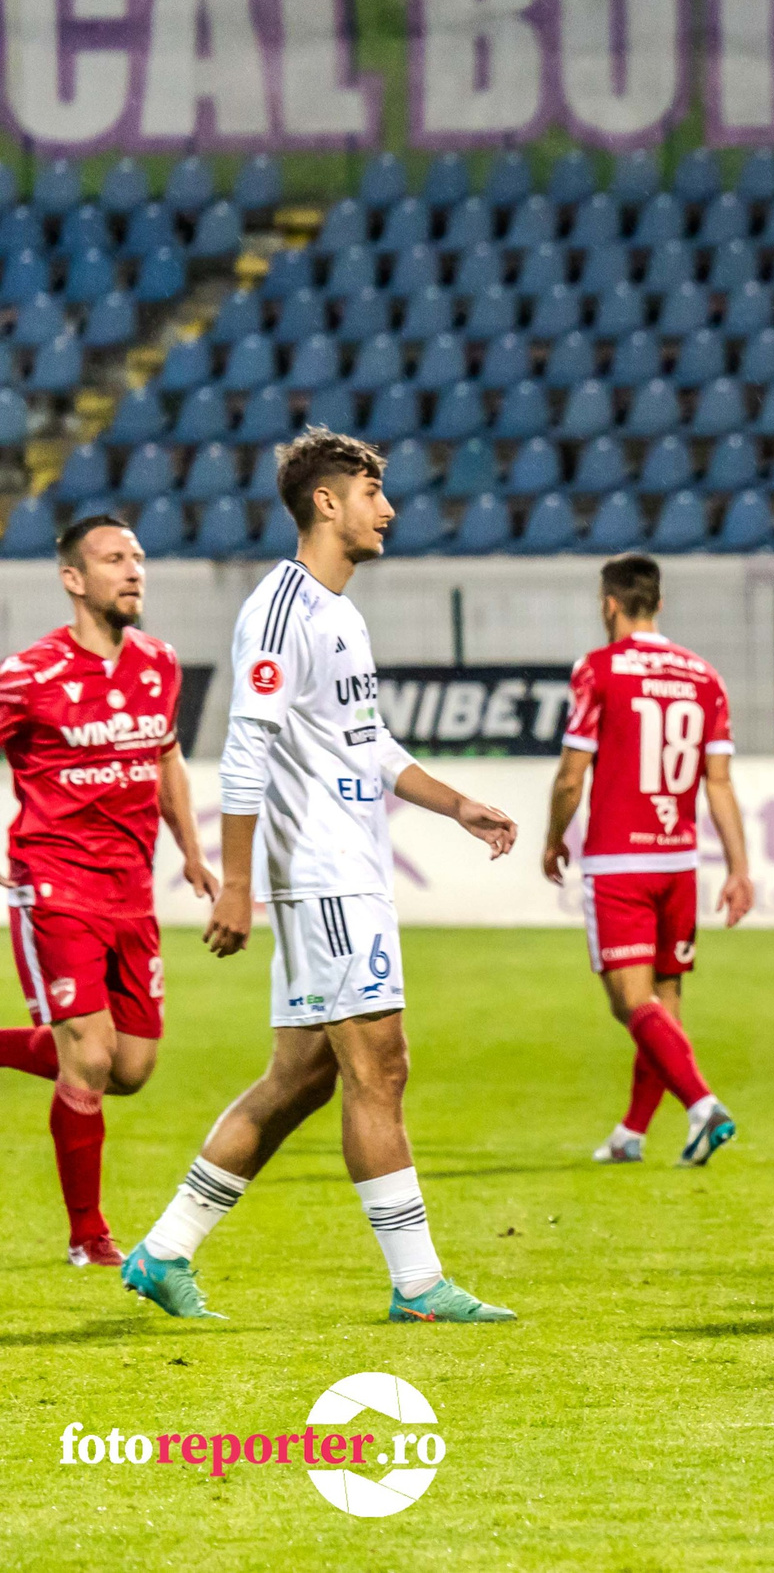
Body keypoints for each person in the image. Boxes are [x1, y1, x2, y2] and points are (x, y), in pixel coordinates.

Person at [122, 430, 519, 1324]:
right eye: (374, 491)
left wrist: (456, 804)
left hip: (347, 870)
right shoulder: (279, 610)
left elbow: (366, 741)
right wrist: (235, 882)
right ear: (327, 503)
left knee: (300, 1077)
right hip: (325, 878)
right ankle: (419, 1285)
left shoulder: (340, 613)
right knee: (381, 1068)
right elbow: (244, 750)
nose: (390, 508)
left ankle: (164, 1249)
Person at [0, 515, 217, 1266]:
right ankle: (88, 1234)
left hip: (131, 890)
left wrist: (192, 852)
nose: (134, 571)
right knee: (89, 1054)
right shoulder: (28, 675)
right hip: (53, 884)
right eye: (114, 559)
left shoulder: (158, 662)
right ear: (73, 578)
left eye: (138, 557)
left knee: (130, 1068)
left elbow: (167, 761)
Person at [541, 553, 753, 1168]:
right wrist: (740, 868)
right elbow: (719, 784)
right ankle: (631, 1135)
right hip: (677, 863)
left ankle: (703, 1105)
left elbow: (569, 777)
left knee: (630, 1003)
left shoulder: (599, 670)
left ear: (609, 604)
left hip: (619, 864)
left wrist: (555, 837)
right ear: (658, 603)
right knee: (663, 1004)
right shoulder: (703, 676)